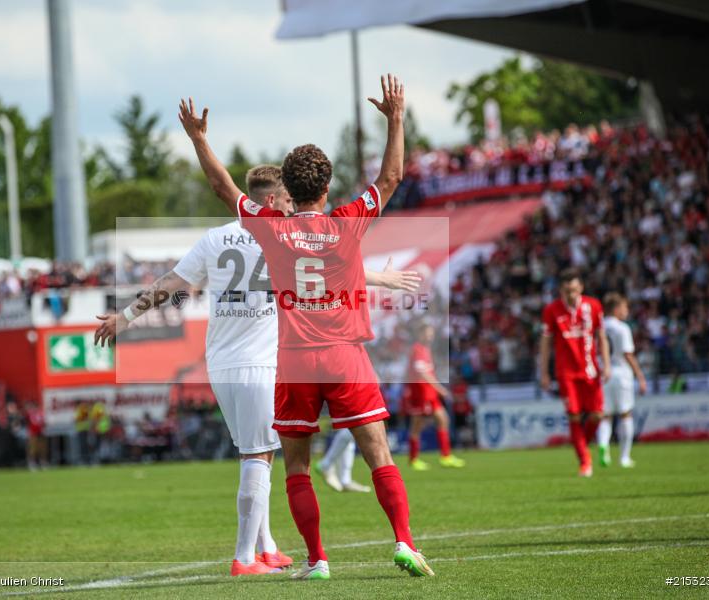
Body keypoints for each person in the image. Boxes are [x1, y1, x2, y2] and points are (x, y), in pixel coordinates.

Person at [94, 165, 419, 576]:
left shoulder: (215, 239)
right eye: (285, 200)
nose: (289, 206)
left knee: (258, 450)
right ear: (272, 200)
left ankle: (268, 547)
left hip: (221, 362)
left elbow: (170, 282)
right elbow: (325, 264)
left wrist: (125, 317)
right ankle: (245, 557)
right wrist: (381, 280)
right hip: (263, 362)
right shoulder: (276, 235)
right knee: (259, 455)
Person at [177, 74, 435, 579]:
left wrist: (199, 139)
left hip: (293, 359)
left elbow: (221, 187)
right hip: (344, 354)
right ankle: (404, 542)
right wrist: (397, 119)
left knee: (296, 465)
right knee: (376, 451)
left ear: (288, 190)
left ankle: (317, 559)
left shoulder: (270, 228)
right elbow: (392, 177)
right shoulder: (346, 222)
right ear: (326, 186)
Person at [539, 268, 610, 477]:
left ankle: (581, 445)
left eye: (575, 290)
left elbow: (601, 336)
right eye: (567, 290)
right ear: (561, 290)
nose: (571, 294)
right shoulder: (551, 310)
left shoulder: (594, 306)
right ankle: (585, 461)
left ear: (581, 288)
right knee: (575, 416)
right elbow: (545, 343)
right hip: (566, 373)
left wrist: (606, 363)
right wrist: (544, 372)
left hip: (590, 370)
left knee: (597, 415)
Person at [404, 323, 464, 470]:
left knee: (443, 419)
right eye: (428, 333)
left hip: (429, 393)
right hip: (421, 392)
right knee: (417, 425)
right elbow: (422, 374)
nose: (430, 336)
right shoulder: (417, 349)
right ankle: (413, 459)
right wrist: (440, 388)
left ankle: (446, 456)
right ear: (420, 334)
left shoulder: (425, 350)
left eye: (431, 333)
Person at [597, 293, 647, 468]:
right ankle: (624, 457)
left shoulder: (599, 326)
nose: (627, 311)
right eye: (625, 307)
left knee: (605, 416)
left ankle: (603, 445)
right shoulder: (622, 328)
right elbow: (628, 354)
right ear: (616, 309)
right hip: (621, 374)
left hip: (603, 374)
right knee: (625, 414)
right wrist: (640, 376)